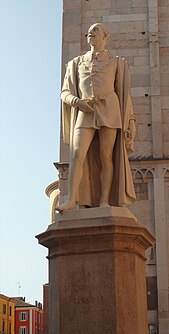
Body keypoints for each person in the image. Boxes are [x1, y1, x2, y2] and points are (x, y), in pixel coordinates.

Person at [56, 23, 136, 212]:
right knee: (77, 154)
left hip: (110, 109)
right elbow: (64, 93)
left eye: (96, 30)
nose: (91, 33)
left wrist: (131, 121)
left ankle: (104, 200)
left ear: (105, 36)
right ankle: (71, 200)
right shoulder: (76, 63)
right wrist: (77, 102)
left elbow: (124, 94)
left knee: (106, 156)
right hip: (85, 111)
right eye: (89, 31)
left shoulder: (117, 62)